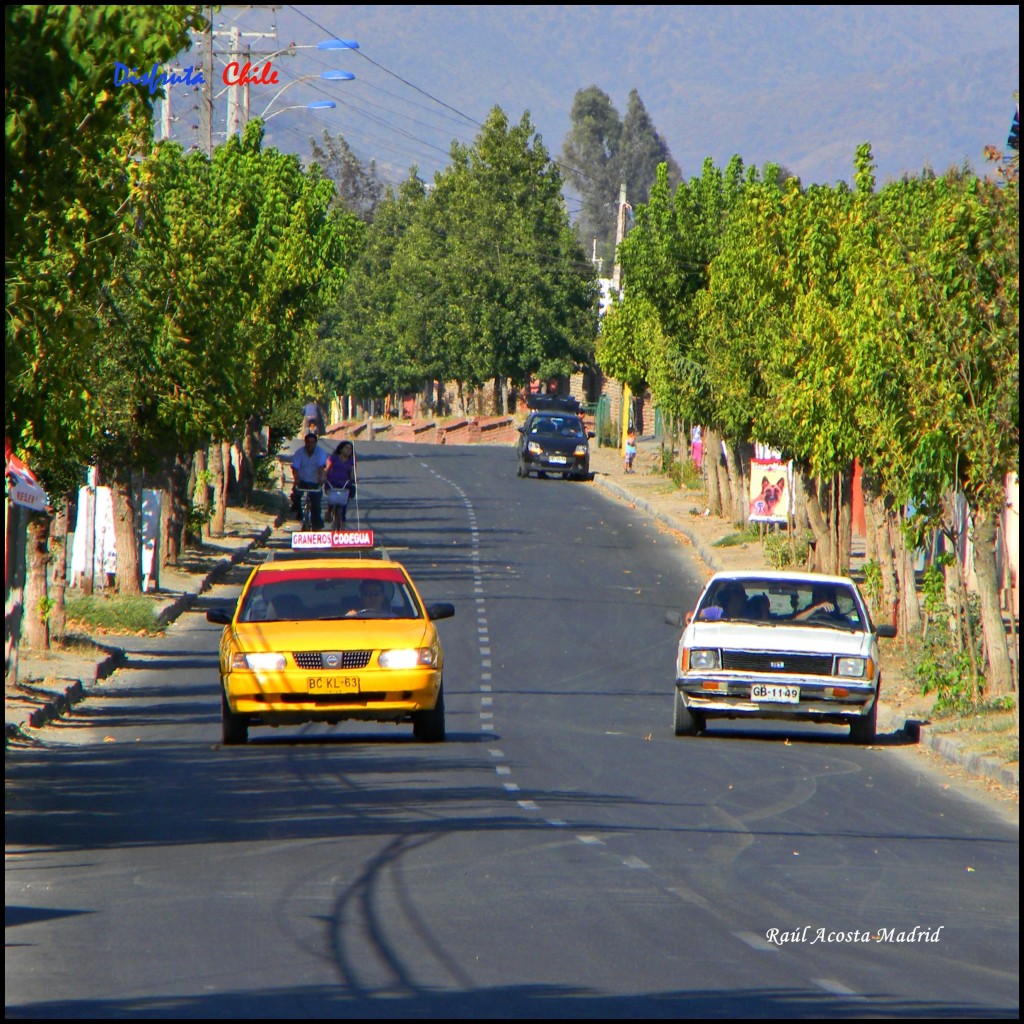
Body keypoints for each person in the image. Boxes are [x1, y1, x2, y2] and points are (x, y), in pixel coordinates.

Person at [291, 432, 327, 528]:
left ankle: (316, 524)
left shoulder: (321, 453)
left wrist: (320, 478)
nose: (310, 444)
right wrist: (296, 478)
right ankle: (298, 515)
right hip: (302, 480)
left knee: (316, 504)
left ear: (316, 443)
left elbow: (321, 467)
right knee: (296, 496)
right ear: (305, 442)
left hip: (315, 481)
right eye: (308, 442)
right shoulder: (299, 453)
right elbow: (295, 467)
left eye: (313, 442)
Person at [324, 441, 356, 527]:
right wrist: (323, 477)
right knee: (332, 499)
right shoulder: (333, 458)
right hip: (332, 483)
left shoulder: (351, 461)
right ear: (341, 449)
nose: (349, 450)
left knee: (343, 507)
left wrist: (353, 479)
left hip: (345, 484)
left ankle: (342, 528)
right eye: (346, 448)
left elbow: (353, 473)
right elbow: (326, 470)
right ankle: (329, 511)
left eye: (350, 449)